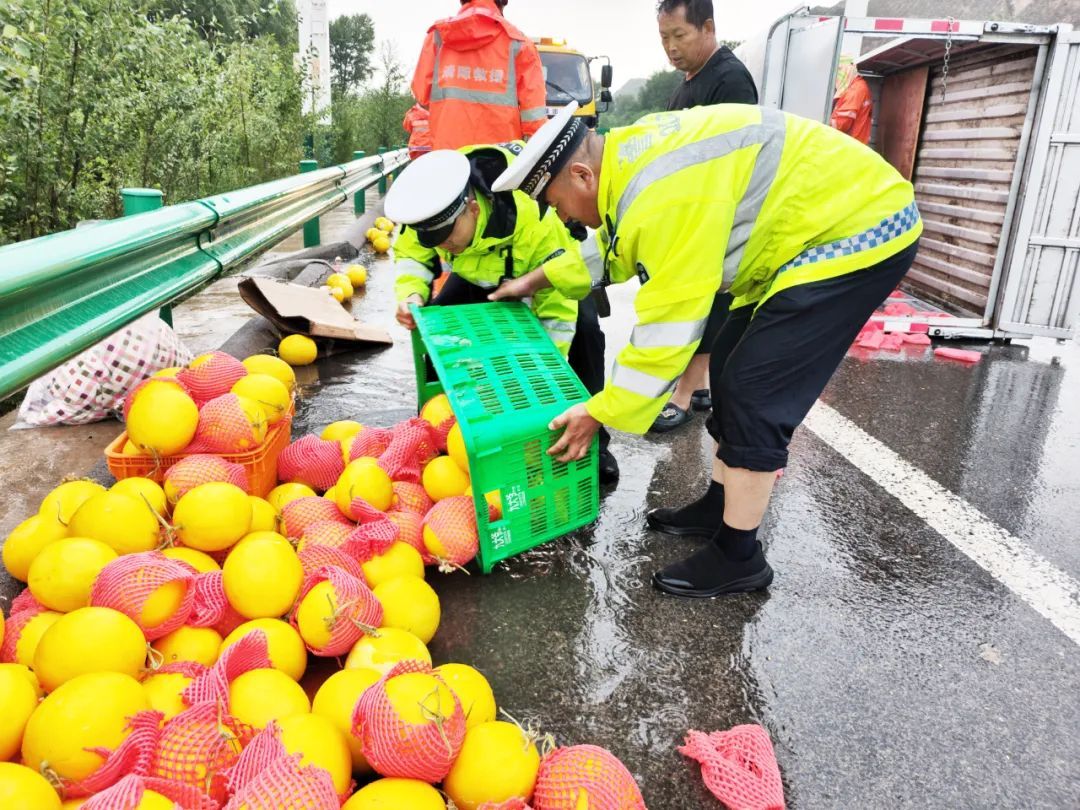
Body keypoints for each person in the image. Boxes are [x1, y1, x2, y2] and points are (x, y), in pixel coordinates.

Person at [490, 102, 921, 597]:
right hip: (802, 233)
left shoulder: (662, 195)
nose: (565, 218)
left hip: (855, 229)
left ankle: (740, 556)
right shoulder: (628, 162)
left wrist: (599, 411)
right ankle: (720, 506)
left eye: (558, 204)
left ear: (582, 175)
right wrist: (533, 281)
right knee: (732, 359)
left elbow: (669, 330)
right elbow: (613, 245)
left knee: (754, 387)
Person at [386, 145, 620, 484]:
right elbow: (410, 252)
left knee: (585, 332)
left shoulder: (532, 218)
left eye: (449, 240)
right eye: (435, 242)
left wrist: (538, 381)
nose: (443, 249)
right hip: (478, 275)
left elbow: (557, 308)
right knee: (436, 326)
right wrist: (411, 294)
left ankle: (592, 441)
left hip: (546, 277)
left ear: (471, 209)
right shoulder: (431, 201)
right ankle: (443, 430)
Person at [651, 0, 760, 434]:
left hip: (720, 214)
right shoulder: (687, 85)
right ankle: (701, 389)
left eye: (680, 36)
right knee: (705, 302)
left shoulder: (730, 80)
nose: (671, 48)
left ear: (708, 28)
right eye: (664, 38)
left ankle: (683, 394)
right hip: (692, 213)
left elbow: (734, 158)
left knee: (708, 303)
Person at [411, 0, 547, 151]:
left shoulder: (437, 37)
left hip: (447, 159)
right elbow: (536, 122)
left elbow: (420, 93)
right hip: (500, 162)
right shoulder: (520, 45)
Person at [831, 59, 873, 145]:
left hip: (852, 147)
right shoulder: (855, 87)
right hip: (854, 145)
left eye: (839, 70)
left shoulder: (855, 90)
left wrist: (821, 121)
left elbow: (841, 124)